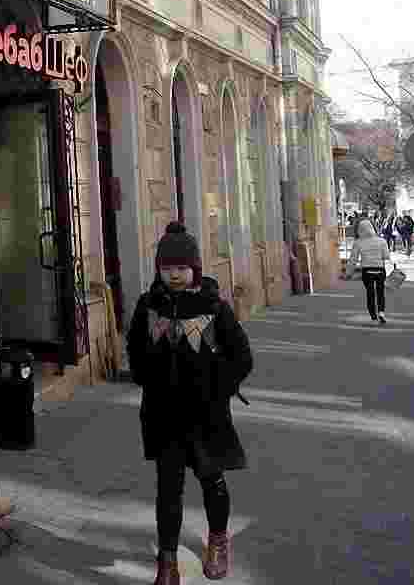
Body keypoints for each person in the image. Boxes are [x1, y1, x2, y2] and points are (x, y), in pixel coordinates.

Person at [127, 222, 253, 585]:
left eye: (181, 268)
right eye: (167, 268)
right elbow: (134, 348)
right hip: (164, 416)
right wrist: (145, 375)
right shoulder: (148, 305)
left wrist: (219, 388)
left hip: (205, 417)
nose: (174, 275)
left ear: (194, 268)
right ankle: (167, 561)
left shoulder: (213, 306)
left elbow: (242, 356)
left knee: (212, 480)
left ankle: (218, 541)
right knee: (168, 490)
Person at [350, 218, 391, 324]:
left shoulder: (358, 243)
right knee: (380, 292)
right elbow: (386, 256)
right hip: (380, 270)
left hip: (367, 271)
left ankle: (373, 316)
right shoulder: (382, 241)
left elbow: (353, 260)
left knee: (370, 293)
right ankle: (381, 312)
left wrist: (348, 273)